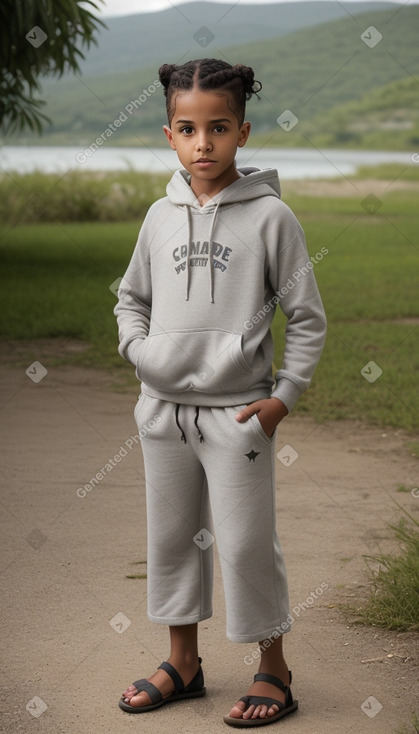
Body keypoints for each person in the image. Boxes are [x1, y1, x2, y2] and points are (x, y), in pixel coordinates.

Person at [114, 57, 326, 727]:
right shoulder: (157, 217)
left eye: (219, 127)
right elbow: (130, 299)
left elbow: (308, 319)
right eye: (187, 128)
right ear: (169, 134)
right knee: (173, 539)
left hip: (238, 413)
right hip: (162, 413)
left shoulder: (271, 220)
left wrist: (281, 398)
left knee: (243, 543)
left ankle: (274, 670)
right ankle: (182, 663)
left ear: (242, 131)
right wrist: (139, 352)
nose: (203, 143)